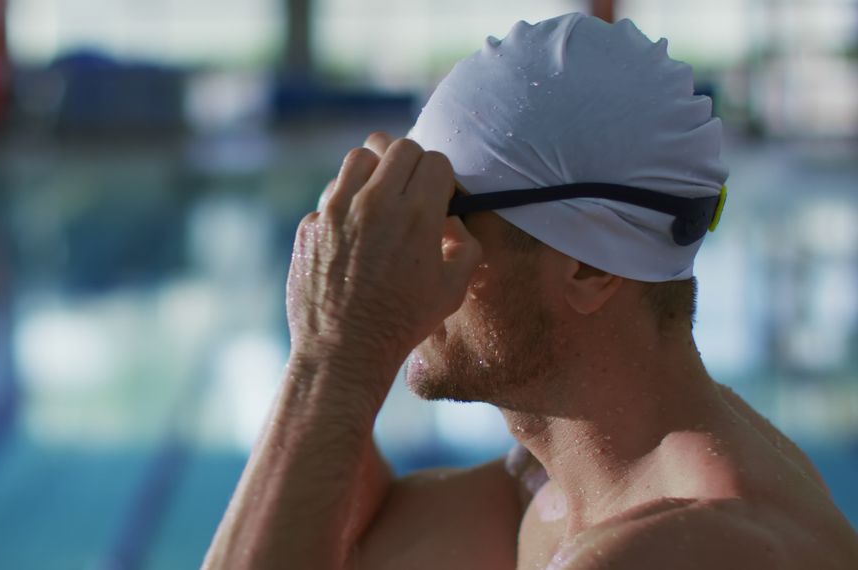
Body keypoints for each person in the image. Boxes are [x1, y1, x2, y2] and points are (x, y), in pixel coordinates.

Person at [203, 13, 858, 569]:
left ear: (588, 267)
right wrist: (330, 331)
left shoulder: (688, 546)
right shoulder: (557, 483)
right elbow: (342, 544)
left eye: (442, 214)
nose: (400, 255)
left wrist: (333, 359)